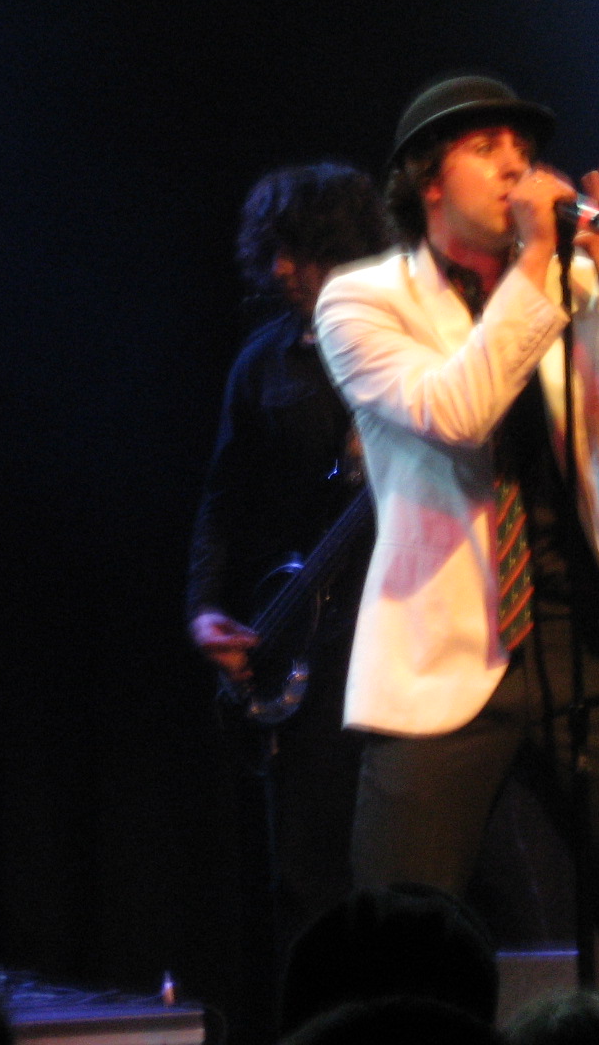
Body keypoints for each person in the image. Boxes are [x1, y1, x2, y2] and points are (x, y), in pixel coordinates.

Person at [314, 75, 599, 1017]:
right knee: (394, 957)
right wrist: (543, 265)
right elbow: (456, 411)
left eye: (524, 147)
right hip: (439, 657)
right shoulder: (361, 302)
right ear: (427, 179)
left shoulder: (570, 286)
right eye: (485, 145)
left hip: (576, 642)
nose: (516, 163)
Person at [185, 161, 386, 1025]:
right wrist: (206, 609)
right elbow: (222, 500)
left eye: (297, 252)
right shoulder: (261, 362)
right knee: (304, 875)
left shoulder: (401, 348)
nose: (278, 272)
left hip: (401, 634)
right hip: (300, 643)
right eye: (269, 253)